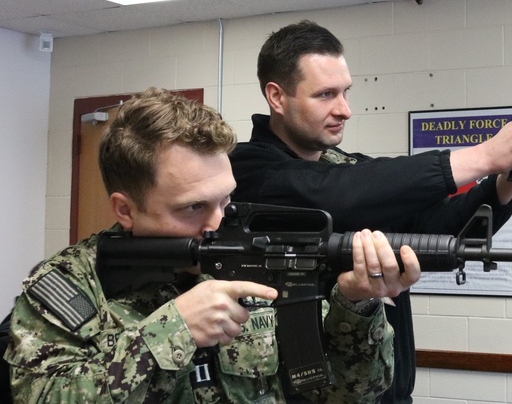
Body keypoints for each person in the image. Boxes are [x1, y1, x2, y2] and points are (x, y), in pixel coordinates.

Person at [230, 20, 512, 404]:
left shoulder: (351, 171)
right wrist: (484, 155)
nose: (345, 110)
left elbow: (445, 232)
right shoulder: (248, 169)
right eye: (325, 95)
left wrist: (507, 180)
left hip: (388, 392)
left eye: (346, 93)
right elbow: (334, 195)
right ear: (276, 96)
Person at [5, 88, 421, 403]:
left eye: (226, 200)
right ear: (125, 209)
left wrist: (354, 307)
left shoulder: (253, 260)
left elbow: (347, 394)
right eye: (192, 208)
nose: (219, 222)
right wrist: (171, 332)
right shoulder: (69, 286)